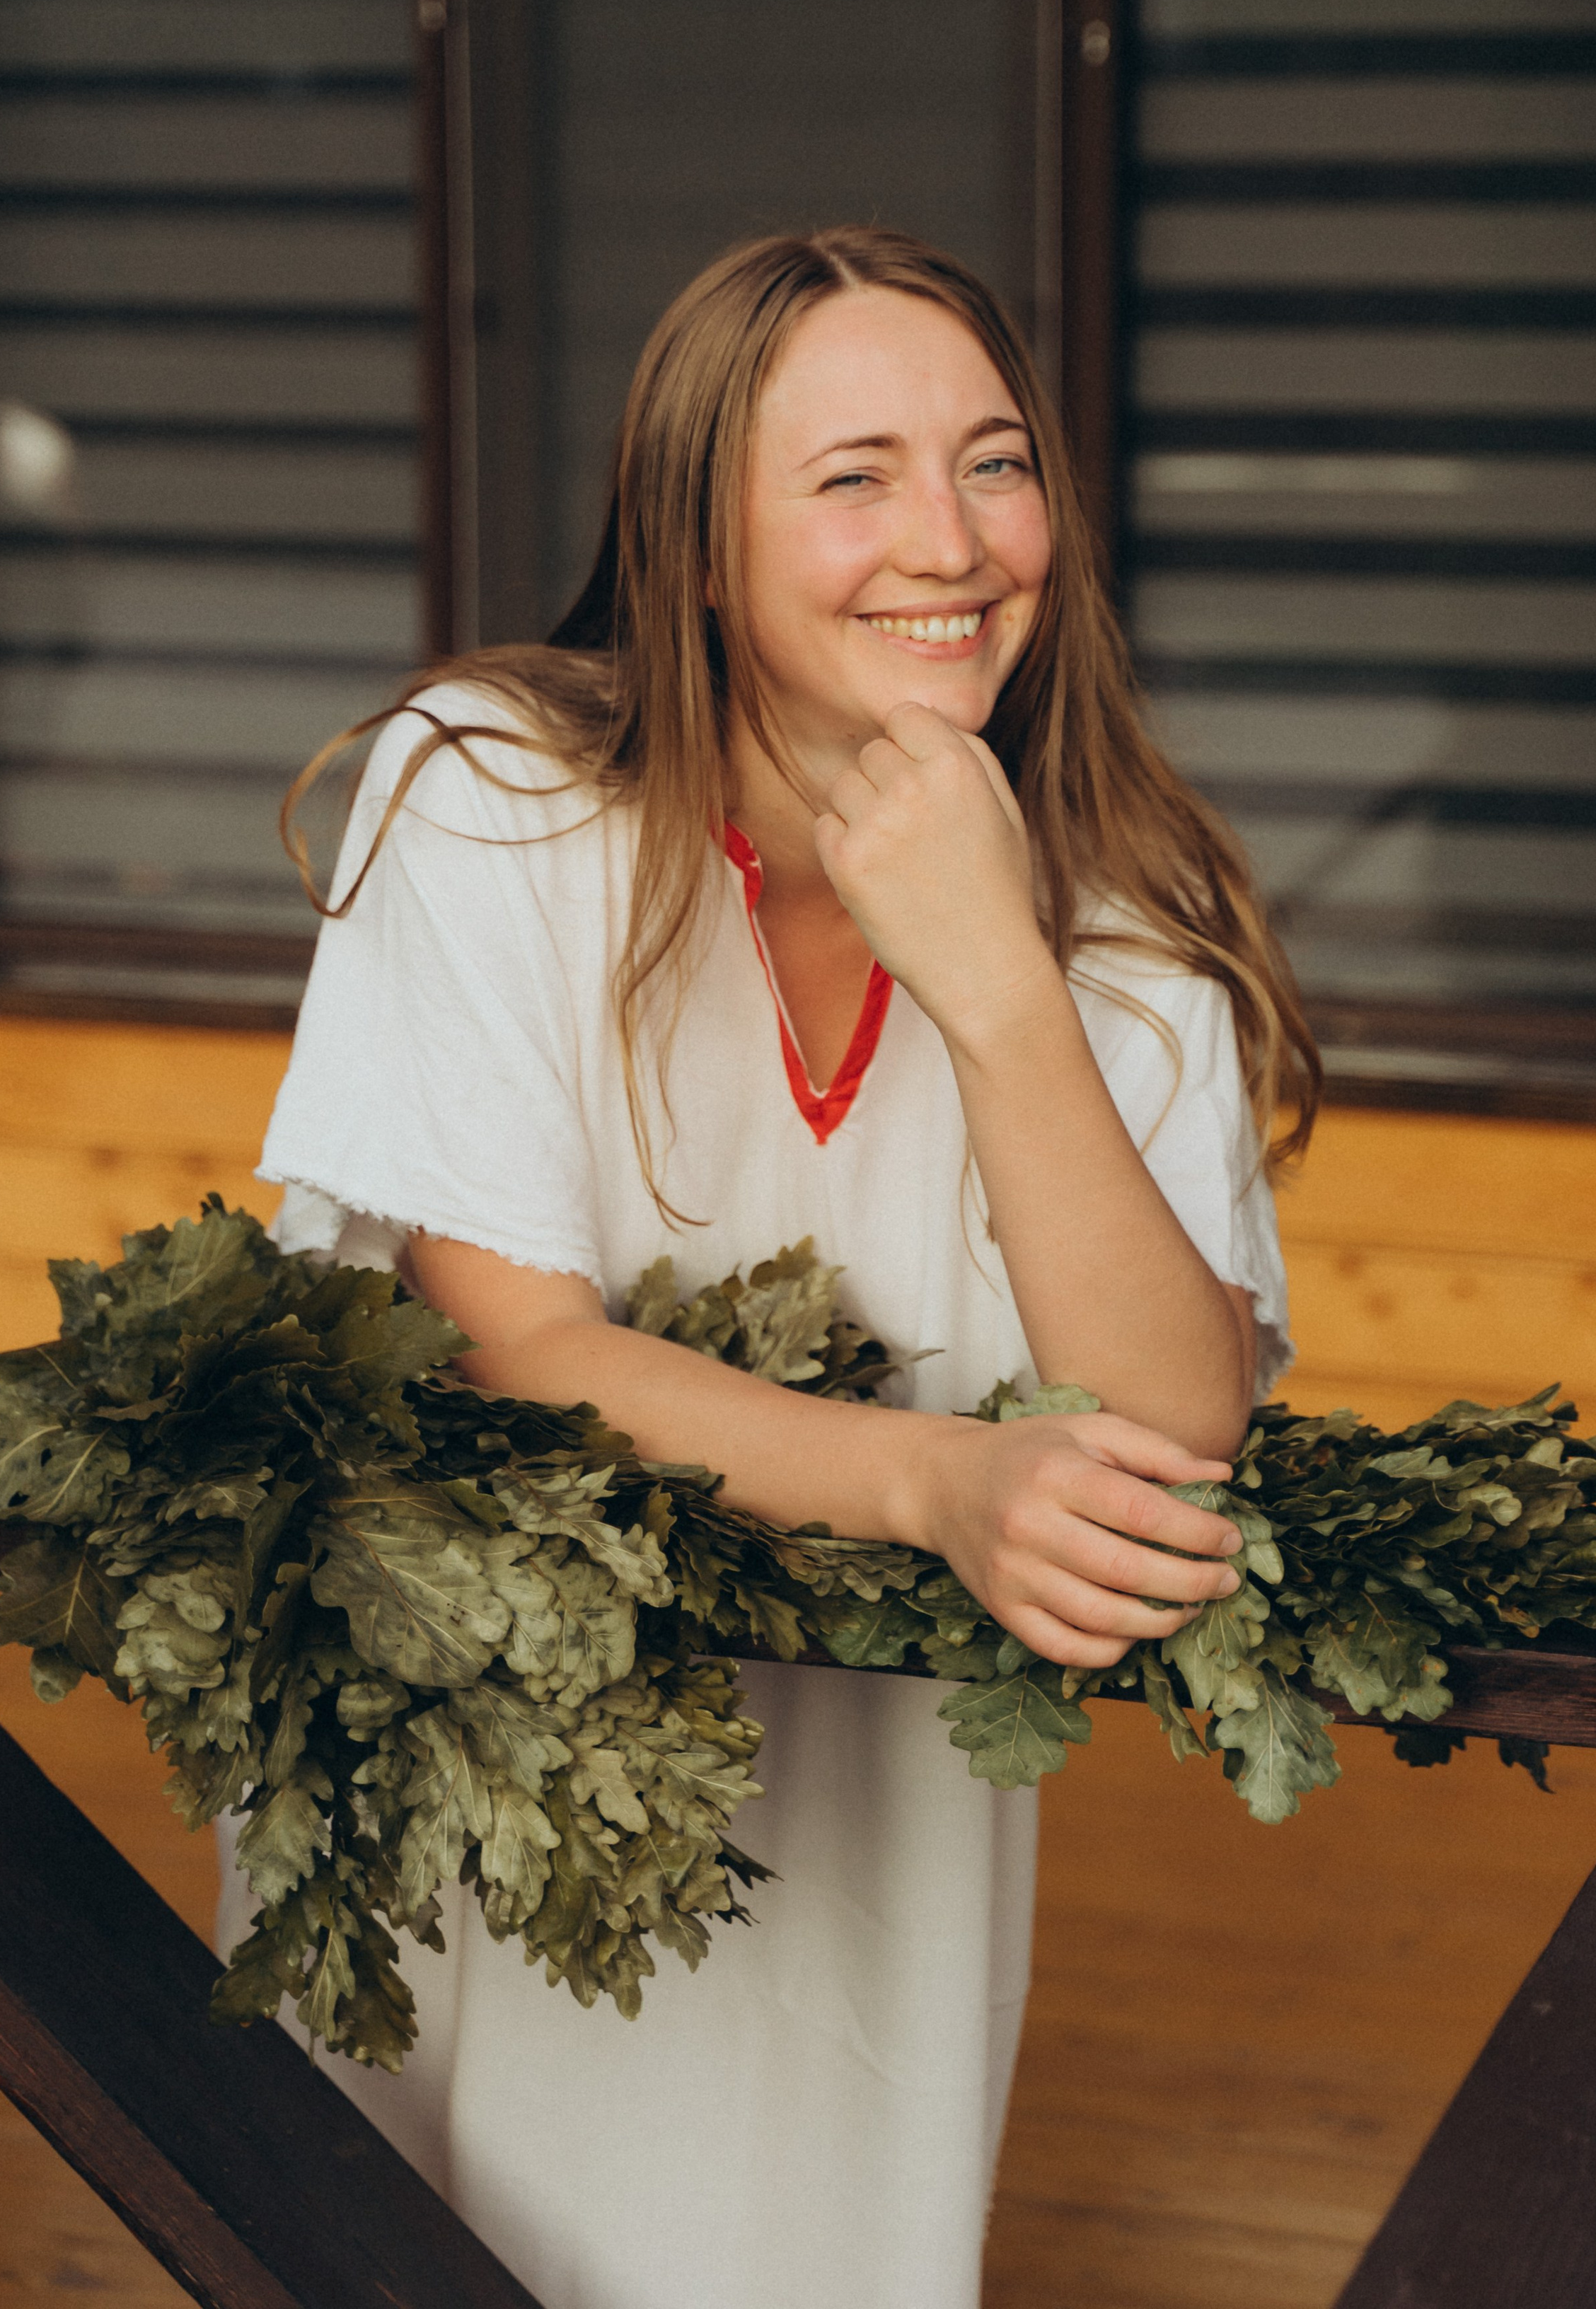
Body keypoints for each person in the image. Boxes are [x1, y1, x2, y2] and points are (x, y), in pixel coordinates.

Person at [226, 226, 1319, 2309]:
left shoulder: (1127, 932)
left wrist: (999, 987)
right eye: (857, 476)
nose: (953, 538)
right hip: (483, 1774)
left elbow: (1175, 1423)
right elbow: (511, 1352)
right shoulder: (491, 803)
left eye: (997, 465)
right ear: (697, 550)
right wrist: (935, 1485)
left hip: (862, 1846)